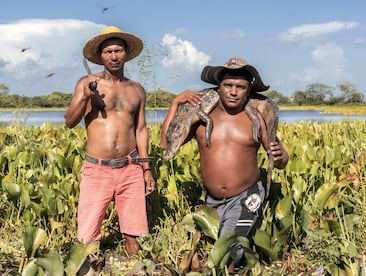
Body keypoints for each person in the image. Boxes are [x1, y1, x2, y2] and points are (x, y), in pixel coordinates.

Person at [160, 57, 289, 271]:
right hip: (213, 200)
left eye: (240, 87)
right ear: (218, 87)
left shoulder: (256, 117)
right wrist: (175, 103)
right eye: (228, 85)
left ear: (248, 91)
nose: (233, 91)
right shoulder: (201, 117)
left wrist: (281, 154)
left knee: (227, 252)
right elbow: (165, 144)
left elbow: (281, 161)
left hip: (247, 194)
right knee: (203, 247)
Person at [64, 25, 155, 255]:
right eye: (108, 52)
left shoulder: (137, 89)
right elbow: (70, 121)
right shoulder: (87, 83)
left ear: (126, 53)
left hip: (130, 167)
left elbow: (141, 129)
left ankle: (134, 268)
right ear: (100, 56)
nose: (113, 56)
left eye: (118, 51)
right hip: (98, 167)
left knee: (134, 235)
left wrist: (146, 168)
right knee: (87, 235)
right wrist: (85, 96)